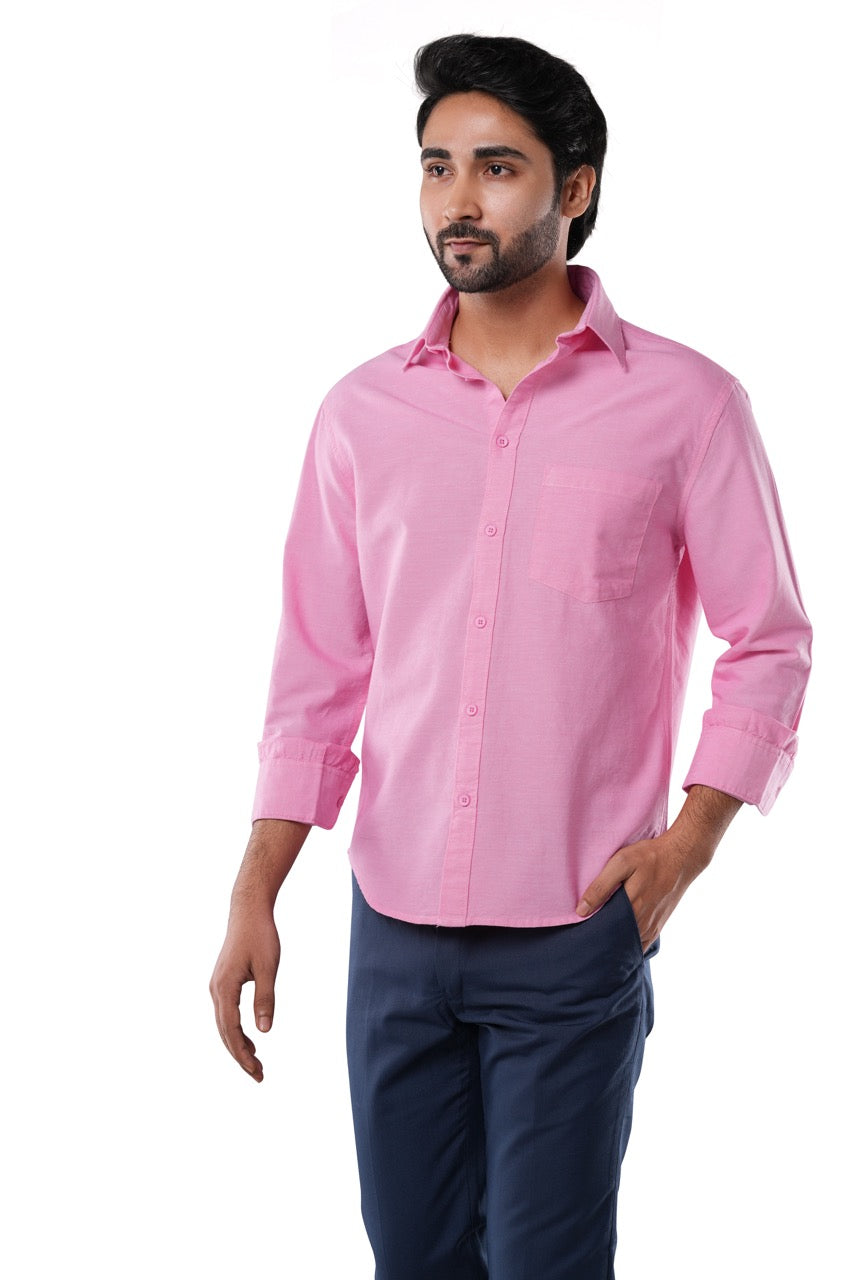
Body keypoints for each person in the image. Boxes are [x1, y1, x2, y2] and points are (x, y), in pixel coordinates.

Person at [210, 32, 812, 1279]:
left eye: (496, 167)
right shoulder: (361, 414)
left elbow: (769, 640)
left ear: (573, 187)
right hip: (392, 924)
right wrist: (255, 888)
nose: (457, 200)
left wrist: (686, 848)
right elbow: (318, 671)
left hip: (573, 923)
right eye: (436, 167)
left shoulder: (688, 405)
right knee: (413, 1260)